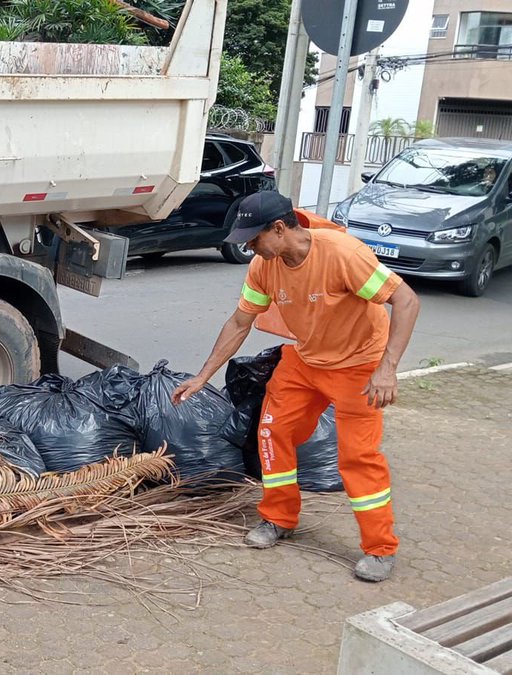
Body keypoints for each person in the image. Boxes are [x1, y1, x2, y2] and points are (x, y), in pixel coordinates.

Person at [171, 191, 420, 583]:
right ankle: (278, 518)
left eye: (254, 238)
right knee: (272, 433)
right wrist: (202, 377)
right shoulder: (263, 267)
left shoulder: (342, 254)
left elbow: (406, 301)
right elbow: (240, 323)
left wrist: (387, 369)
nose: (250, 247)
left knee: (357, 457)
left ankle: (380, 548)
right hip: (305, 362)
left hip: (359, 366)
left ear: (281, 228)